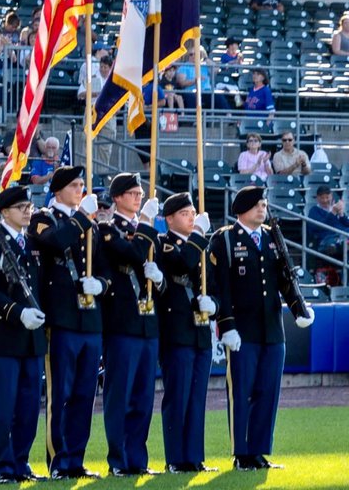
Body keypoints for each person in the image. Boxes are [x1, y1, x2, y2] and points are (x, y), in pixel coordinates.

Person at [209, 185, 313, 469]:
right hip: (242, 331)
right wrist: (226, 325)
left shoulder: (270, 237)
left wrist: (298, 308)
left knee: (268, 391)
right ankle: (241, 454)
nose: (262, 208)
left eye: (264, 204)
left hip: (272, 329)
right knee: (242, 391)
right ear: (242, 208)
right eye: (257, 204)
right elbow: (222, 287)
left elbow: (284, 279)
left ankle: (258, 451)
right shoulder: (226, 239)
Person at [28, 166, 105, 479]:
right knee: (61, 392)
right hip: (61, 320)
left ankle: (76, 458)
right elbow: (56, 243)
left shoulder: (89, 225)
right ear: (58, 189)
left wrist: (100, 284)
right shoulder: (44, 218)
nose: (79, 190)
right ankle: (58, 460)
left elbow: (103, 268)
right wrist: (82, 219)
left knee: (85, 396)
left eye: (82, 185)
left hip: (90, 320)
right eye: (74, 185)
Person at [0, 184, 46, 484]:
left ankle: (21, 462)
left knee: (29, 406)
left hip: (33, 339)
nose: (27, 212)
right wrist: (18, 313)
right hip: (6, 336)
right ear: (4, 212)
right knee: (4, 404)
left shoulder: (33, 243)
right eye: (21, 208)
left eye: (29, 207)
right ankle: (2, 466)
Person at [97, 171, 163, 478]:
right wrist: (147, 225)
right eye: (133, 193)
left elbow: (155, 267)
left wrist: (159, 279)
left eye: (140, 193)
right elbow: (133, 251)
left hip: (147, 324)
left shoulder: (145, 230)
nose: (139, 198)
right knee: (119, 395)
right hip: (122, 323)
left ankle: (138, 457)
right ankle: (118, 458)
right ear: (119, 197)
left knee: (143, 397)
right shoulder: (108, 229)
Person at [156, 192, 217, 473]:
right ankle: (175, 458)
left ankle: (194, 457)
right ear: (169, 218)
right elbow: (182, 263)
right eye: (185, 213)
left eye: (193, 213)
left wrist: (213, 303)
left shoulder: (201, 245)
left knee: (196, 399)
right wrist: (199, 237)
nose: (191, 217)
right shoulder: (164, 244)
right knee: (177, 397)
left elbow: (213, 283)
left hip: (200, 330)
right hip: (177, 330)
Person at [308, 185, 349, 256]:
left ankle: (343, 244)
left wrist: (341, 214)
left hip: (343, 234)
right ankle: (338, 245)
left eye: (327, 197)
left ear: (331, 196)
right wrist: (333, 212)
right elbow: (320, 226)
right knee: (334, 242)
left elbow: (346, 224)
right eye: (322, 198)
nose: (325, 200)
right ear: (317, 198)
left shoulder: (335, 207)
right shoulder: (314, 210)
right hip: (327, 238)